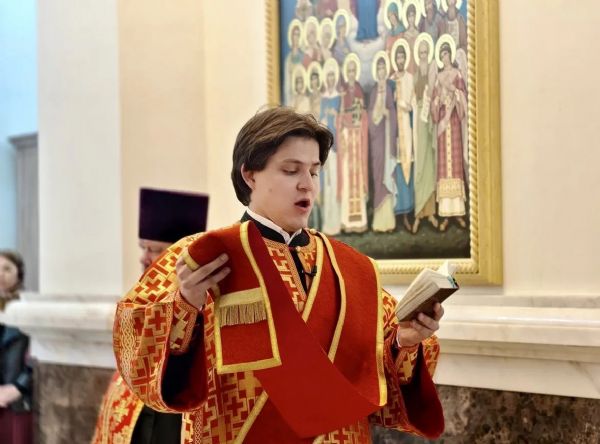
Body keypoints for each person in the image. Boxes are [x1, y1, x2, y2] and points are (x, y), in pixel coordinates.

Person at [113, 107, 445, 443]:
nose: (307, 185)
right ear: (250, 175)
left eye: (314, 172)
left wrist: (404, 342)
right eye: (291, 170)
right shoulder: (201, 257)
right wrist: (186, 304)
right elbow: (140, 354)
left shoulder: (352, 269)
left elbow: (376, 379)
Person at [92, 188, 209, 444]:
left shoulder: (209, 301)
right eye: (143, 247)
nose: (144, 258)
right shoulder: (142, 298)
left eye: (154, 249)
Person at [431, 37, 468, 231]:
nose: (444, 57)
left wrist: (455, 91)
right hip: (443, 124)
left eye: (447, 54)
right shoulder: (438, 77)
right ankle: (445, 214)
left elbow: (463, 96)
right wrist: (439, 101)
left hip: (453, 122)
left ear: (450, 55)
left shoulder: (457, 74)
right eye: (442, 54)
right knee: (445, 167)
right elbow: (434, 101)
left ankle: (459, 213)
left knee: (455, 165)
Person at [0, 251, 33, 444]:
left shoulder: (28, 307)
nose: (1, 274)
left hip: (17, 400)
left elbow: (37, 358)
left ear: (19, 273)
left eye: (7, 269)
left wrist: (18, 387)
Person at [368, 52, 397, 232]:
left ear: (386, 70)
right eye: (378, 69)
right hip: (377, 140)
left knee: (387, 173)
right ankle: (379, 222)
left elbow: (393, 112)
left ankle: (389, 221)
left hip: (387, 137)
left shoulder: (389, 89)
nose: (381, 71)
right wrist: (376, 115)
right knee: (378, 174)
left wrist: (388, 114)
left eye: (383, 68)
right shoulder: (373, 92)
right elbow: (370, 117)